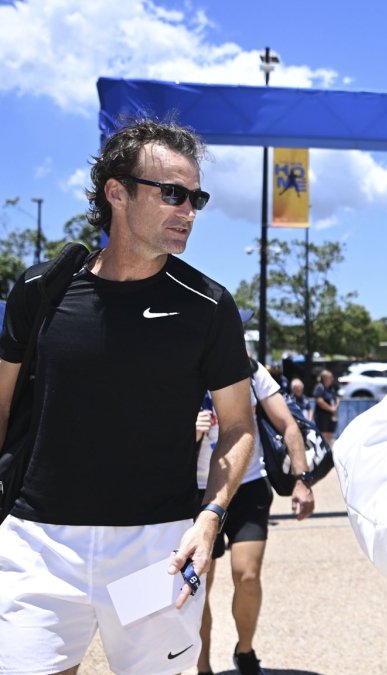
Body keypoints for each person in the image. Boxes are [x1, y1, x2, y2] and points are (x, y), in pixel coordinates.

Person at [0, 119, 255, 675]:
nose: (188, 210)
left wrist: (210, 516)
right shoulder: (41, 291)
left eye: (196, 197)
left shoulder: (208, 306)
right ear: (116, 192)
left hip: (156, 552)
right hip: (40, 547)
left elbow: (238, 425)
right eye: (172, 194)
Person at [193, 357, 315, 675]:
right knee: (198, 585)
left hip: (247, 484)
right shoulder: (184, 364)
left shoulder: (250, 369)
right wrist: (189, 431)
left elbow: (287, 424)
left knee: (247, 577)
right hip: (196, 489)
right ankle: (202, 663)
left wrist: (302, 480)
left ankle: (244, 650)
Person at [312, 369, 340, 446]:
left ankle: (329, 449)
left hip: (331, 415)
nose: (332, 379)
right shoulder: (320, 387)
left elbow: (337, 398)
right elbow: (319, 401)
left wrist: (336, 407)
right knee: (323, 434)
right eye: (330, 377)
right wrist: (331, 409)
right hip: (322, 415)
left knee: (330, 433)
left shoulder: (331, 388)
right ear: (324, 378)